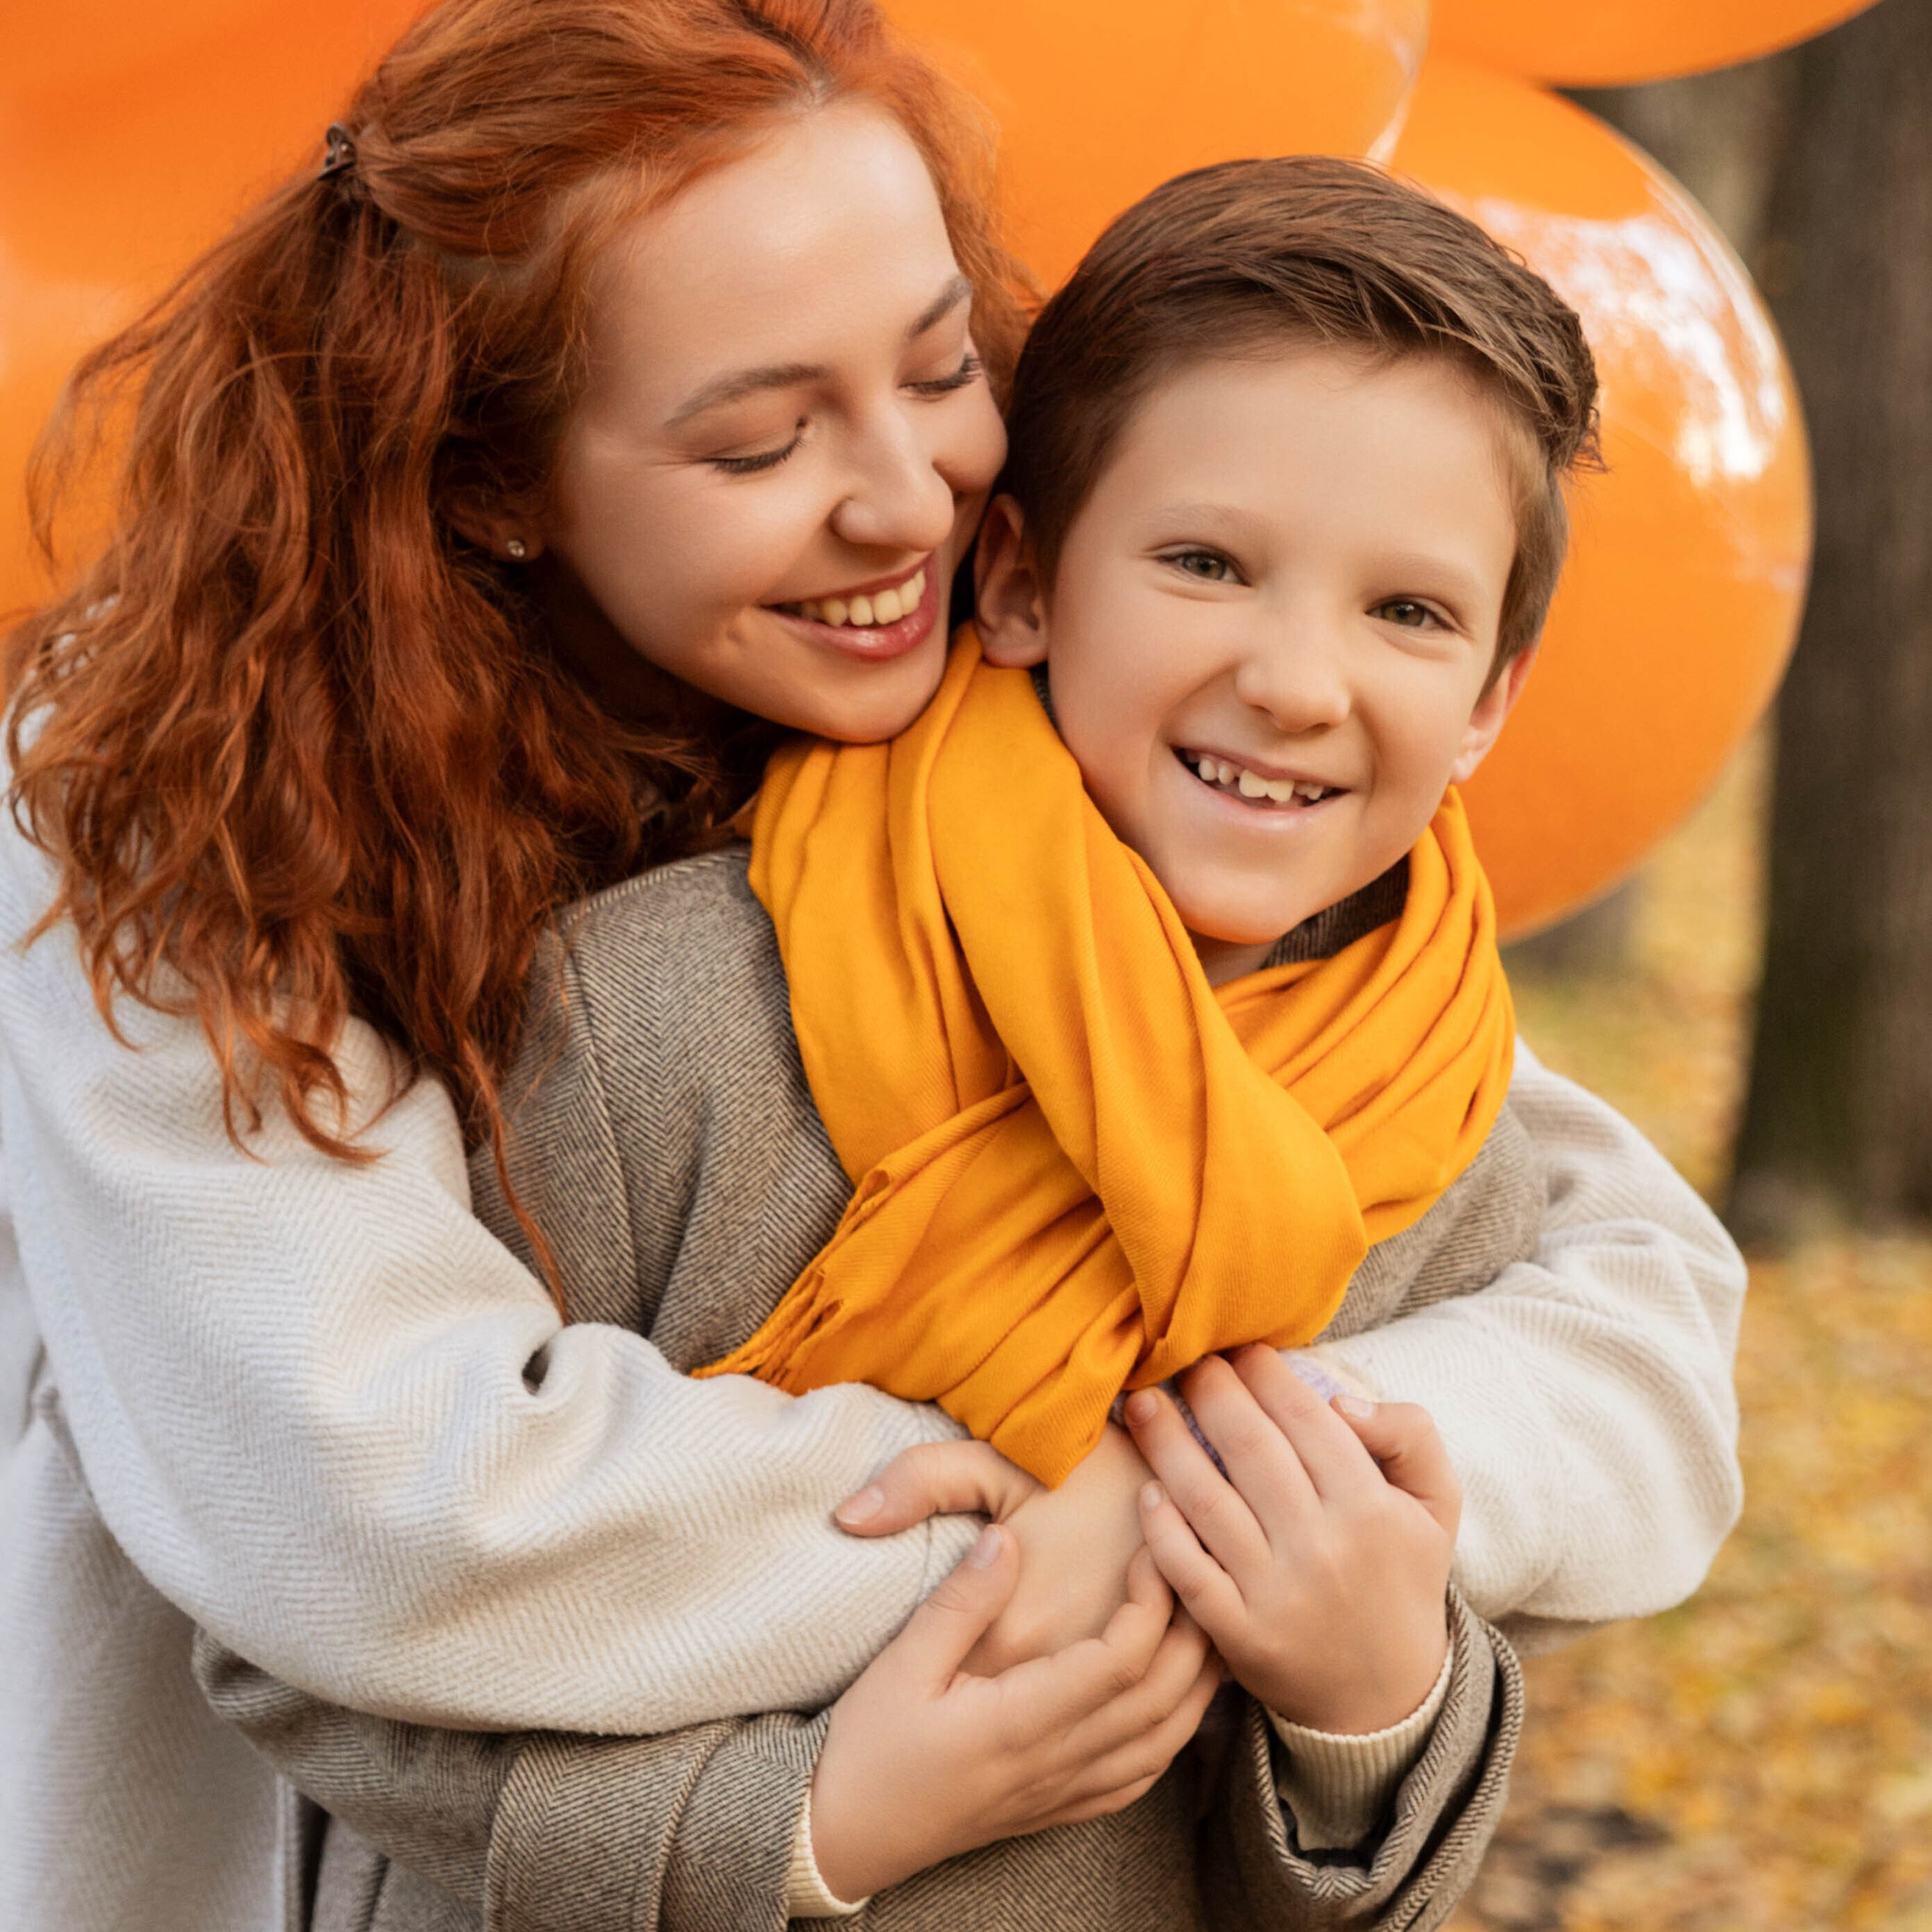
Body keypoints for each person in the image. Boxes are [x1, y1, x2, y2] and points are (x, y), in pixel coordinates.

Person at [0, 2, 1743, 1928]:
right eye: (757, 437)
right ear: (488, 481)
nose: (905, 496)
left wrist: (1293, 1533)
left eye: (935, 368)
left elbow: (1585, 1259)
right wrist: (1032, 1545)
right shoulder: (184, 819)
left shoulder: (985, 753)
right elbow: (362, 1498)